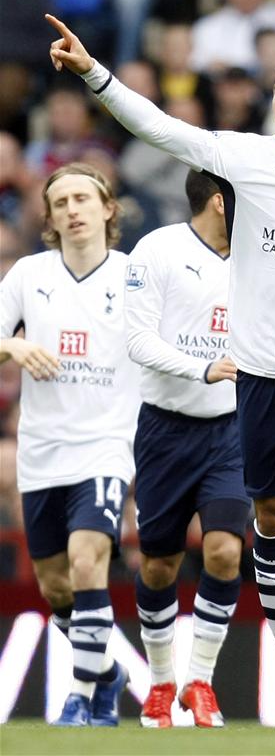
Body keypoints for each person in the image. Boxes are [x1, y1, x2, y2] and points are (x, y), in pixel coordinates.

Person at [45, 12, 275, 727]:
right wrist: (94, 72)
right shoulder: (245, 159)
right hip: (259, 378)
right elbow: (158, 128)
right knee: (273, 522)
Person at [0, 162, 140, 726]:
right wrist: (11, 348)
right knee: (56, 584)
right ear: (50, 219)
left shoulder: (135, 277)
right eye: (61, 203)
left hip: (106, 444)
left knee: (89, 563)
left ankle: (82, 696)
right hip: (41, 450)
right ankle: (106, 669)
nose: (73, 210)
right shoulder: (28, 276)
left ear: (108, 208)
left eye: (83, 198)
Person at [124, 169, 250, 728]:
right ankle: (159, 684)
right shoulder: (158, 250)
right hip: (164, 430)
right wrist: (202, 368)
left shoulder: (261, 260)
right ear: (221, 203)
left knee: (224, 550)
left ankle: (201, 680)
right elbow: (138, 340)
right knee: (158, 565)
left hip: (230, 432)